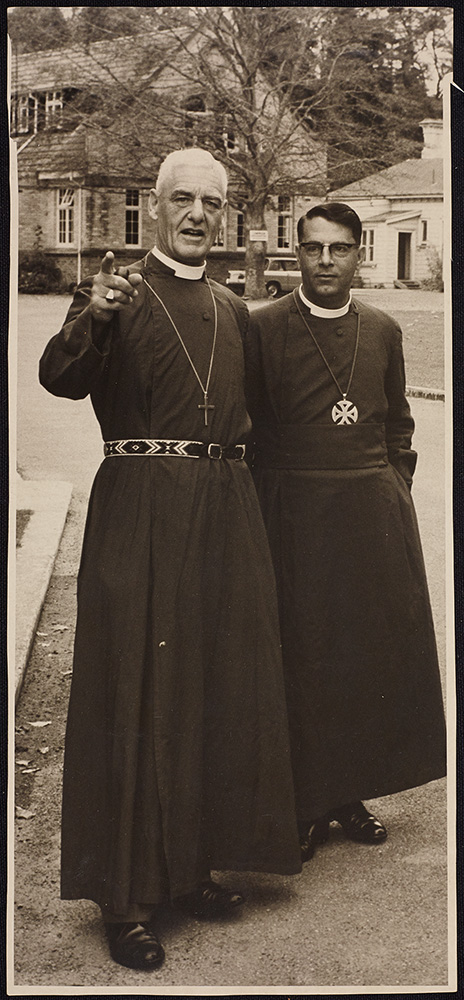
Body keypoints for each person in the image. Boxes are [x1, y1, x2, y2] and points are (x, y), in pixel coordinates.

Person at [39, 148, 301, 971]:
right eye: (181, 199)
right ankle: (126, 898)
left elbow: (258, 420)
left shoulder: (232, 307)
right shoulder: (115, 290)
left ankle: (188, 869)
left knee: (209, 686)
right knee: (136, 687)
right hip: (141, 511)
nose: (196, 213)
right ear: (154, 207)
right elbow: (59, 377)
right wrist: (95, 316)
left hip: (223, 513)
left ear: (225, 213)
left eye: (210, 202)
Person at [246, 202, 446, 863]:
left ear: (359, 254)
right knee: (303, 653)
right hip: (294, 514)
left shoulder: (384, 330)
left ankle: (349, 794)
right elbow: (251, 429)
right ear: (294, 254)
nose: (325, 261)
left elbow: (399, 426)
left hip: (370, 520)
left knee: (362, 656)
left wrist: (392, 489)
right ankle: (306, 800)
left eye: (338, 249)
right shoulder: (264, 328)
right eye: (313, 249)